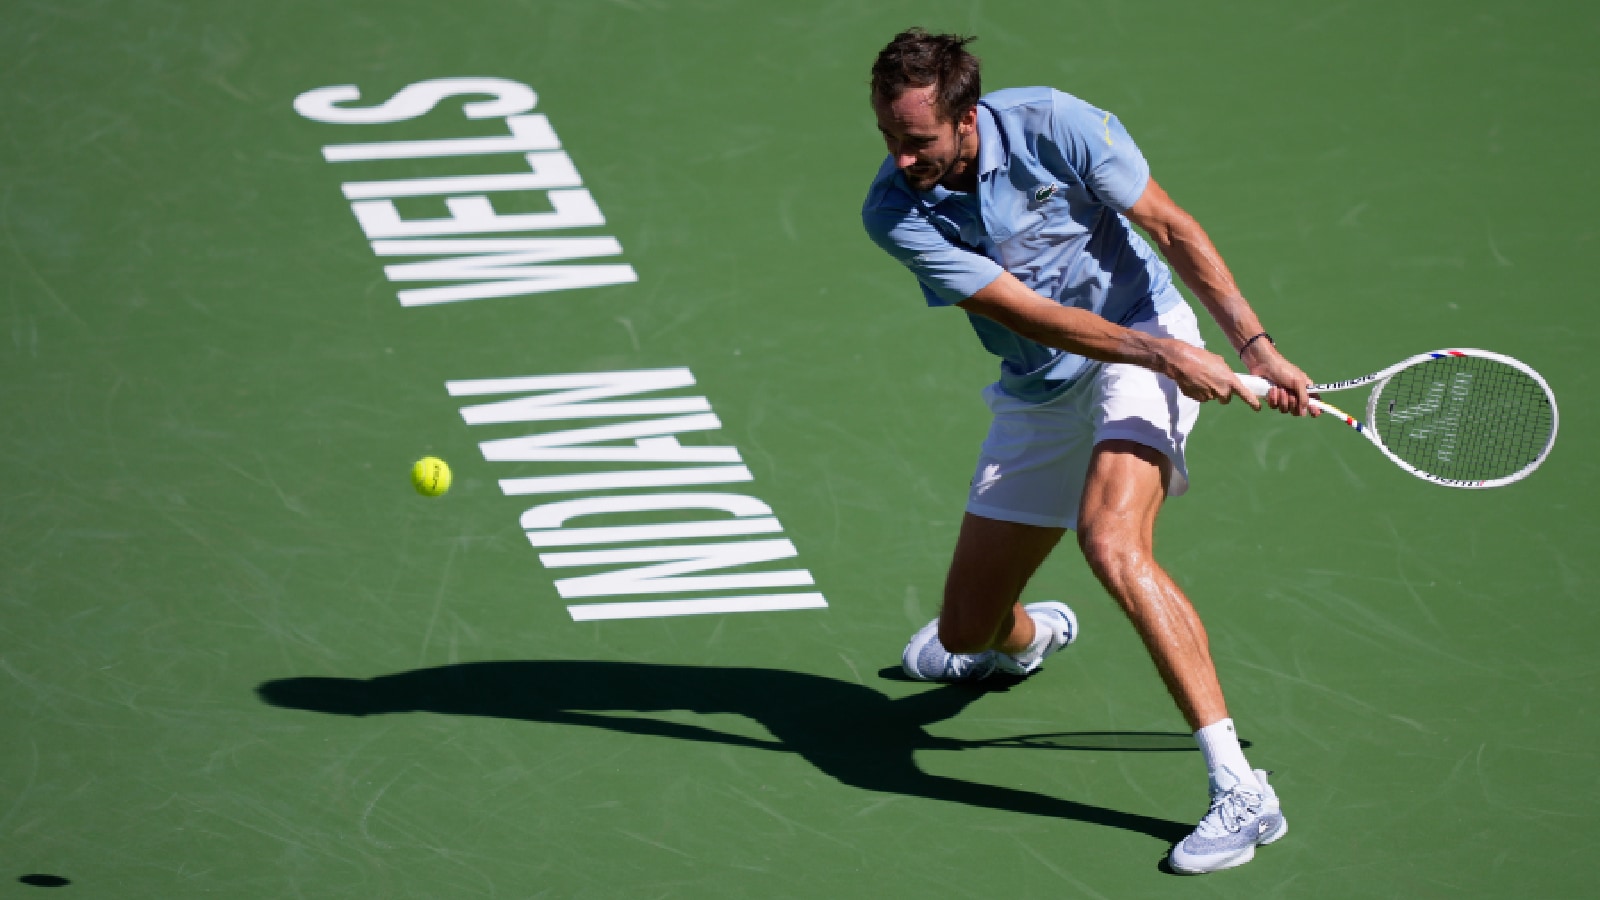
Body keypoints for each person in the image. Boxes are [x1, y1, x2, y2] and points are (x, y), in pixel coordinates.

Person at [861, 28, 1318, 875]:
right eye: (887, 134)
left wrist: (1250, 344)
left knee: (1111, 541)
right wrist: (1166, 358)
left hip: (1144, 338)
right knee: (967, 633)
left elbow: (1171, 228)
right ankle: (1030, 641)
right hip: (1046, 382)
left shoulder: (1055, 125)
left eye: (915, 138)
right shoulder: (895, 211)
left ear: (966, 118)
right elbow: (1024, 314)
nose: (898, 155)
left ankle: (1242, 794)